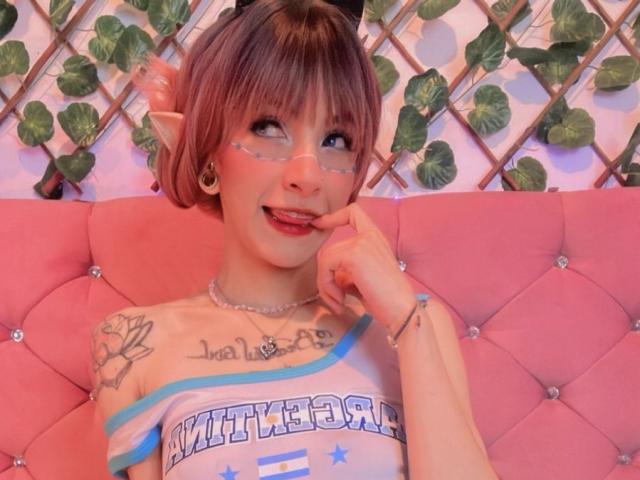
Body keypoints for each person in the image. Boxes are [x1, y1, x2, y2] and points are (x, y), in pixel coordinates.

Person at [90, 1, 498, 479]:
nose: (308, 176)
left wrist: (408, 324)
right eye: (268, 128)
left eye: (336, 139)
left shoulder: (416, 326)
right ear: (208, 154)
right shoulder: (133, 345)